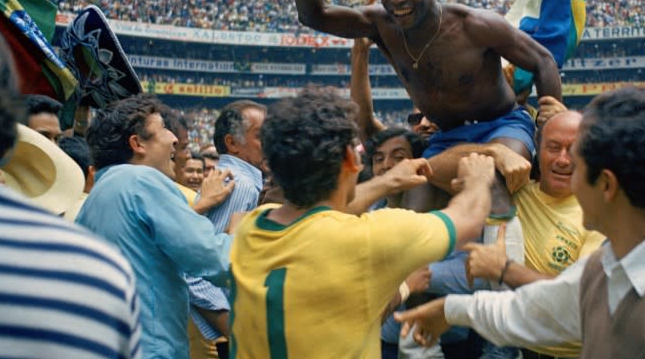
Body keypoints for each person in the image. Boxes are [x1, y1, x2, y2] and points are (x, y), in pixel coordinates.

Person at [396, 87, 645, 358]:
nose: (566, 171)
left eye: (580, 164)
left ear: (607, 185)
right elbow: (536, 311)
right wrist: (448, 312)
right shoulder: (608, 268)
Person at [282, 0, 561, 219]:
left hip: (501, 127)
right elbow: (313, 15)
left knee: (492, 181)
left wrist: (549, 128)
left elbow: (543, 61)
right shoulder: (380, 25)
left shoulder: (475, 25)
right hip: (446, 138)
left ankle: (499, 266)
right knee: (412, 214)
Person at [229, 86, 496, 358]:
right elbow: (468, 219)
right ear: (349, 158)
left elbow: (318, 212)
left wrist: (386, 181)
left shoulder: (250, 227)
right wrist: (479, 178)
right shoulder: (368, 236)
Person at [0, 28, 142, 359]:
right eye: (41, 138)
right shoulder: (99, 270)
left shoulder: (96, 264)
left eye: (58, 140)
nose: (53, 150)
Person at [75, 93, 233, 358]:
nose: (174, 138)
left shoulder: (98, 193)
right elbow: (210, 257)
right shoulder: (142, 181)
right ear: (138, 144)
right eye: (163, 129)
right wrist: (245, 233)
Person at [463, 111, 605, 359]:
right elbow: (434, 165)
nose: (563, 160)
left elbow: (578, 296)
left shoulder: (600, 215)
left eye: (574, 150)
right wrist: (495, 151)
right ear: (538, 149)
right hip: (508, 345)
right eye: (553, 147)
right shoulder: (512, 192)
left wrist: (504, 269)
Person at [187, 100, 266, 352]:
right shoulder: (238, 183)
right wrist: (233, 327)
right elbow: (199, 268)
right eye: (260, 136)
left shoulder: (233, 177)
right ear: (232, 143)